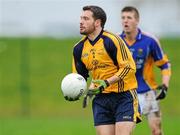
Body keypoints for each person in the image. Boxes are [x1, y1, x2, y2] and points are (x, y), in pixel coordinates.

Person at [69, 5, 141, 135]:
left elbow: (129, 67)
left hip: (124, 96)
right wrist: (75, 91)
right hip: (101, 99)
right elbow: (79, 78)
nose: (80, 22)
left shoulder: (112, 40)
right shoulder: (78, 49)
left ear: (97, 22)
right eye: (81, 18)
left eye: (85, 18)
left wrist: (107, 82)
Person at [119, 6, 171, 135]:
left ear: (137, 20)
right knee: (126, 132)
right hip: (126, 94)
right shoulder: (116, 42)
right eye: (123, 18)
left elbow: (165, 65)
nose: (125, 21)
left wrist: (165, 86)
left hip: (148, 92)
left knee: (156, 131)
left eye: (129, 18)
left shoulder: (150, 41)